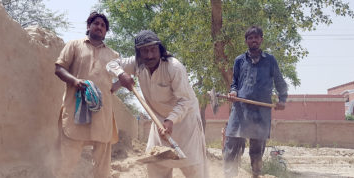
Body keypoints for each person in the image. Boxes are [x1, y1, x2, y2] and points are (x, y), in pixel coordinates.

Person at [106, 30, 208, 178]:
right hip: (158, 120)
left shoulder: (174, 67)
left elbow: (184, 101)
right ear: (138, 52)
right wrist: (121, 75)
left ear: (160, 49)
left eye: (153, 49)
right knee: (156, 165)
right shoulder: (137, 64)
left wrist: (171, 120)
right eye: (144, 51)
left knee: (192, 167)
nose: (149, 55)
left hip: (186, 122)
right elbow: (111, 64)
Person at [53, 12, 119, 178]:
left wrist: (118, 85)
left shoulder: (113, 55)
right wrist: (75, 82)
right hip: (75, 108)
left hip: (102, 112)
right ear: (89, 26)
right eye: (96, 23)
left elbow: (115, 84)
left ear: (106, 32)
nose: (99, 27)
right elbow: (59, 69)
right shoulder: (74, 45)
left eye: (103, 26)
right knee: (68, 156)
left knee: (102, 159)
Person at [223, 26, 288, 178]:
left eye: (256, 37)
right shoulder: (239, 60)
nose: (254, 40)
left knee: (257, 151)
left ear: (261, 40)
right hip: (240, 110)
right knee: (231, 146)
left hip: (261, 112)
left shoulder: (270, 60)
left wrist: (282, 99)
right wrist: (233, 91)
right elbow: (235, 83)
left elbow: (280, 82)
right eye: (250, 38)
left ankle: (256, 175)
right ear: (246, 41)